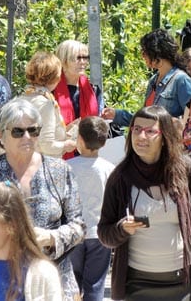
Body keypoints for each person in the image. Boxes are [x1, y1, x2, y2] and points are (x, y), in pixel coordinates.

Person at [0, 98, 84, 300]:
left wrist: (51, 238)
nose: (27, 137)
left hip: (50, 281)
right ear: (1, 136)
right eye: (18, 131)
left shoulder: (60, 171)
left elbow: (79, 226)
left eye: (33, 130)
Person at [98, 106, 191, 301]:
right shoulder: (120, 178)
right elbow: (104, 233)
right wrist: (121, 229)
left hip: (186, 282)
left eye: (150, 131)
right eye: (136, 129)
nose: (141, 136)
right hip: (138, 285)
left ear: (164, 137)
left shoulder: (185, 169)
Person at [67, 117, 115, 301]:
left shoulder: (68, 167)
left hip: (74, 232)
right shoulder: (109, 169)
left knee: (72, 283)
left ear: (79, 139)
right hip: (100, 233)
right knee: (95, 283)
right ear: (103, 142)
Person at [23, 50, 76, 158]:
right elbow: (47, 145)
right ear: (54, 77)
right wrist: (66, 145)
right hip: (43, 165)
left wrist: (63, 132)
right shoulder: (45, 104)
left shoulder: (23, 97)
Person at [139, 29, 191, 118]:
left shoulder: (182, 80)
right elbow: (145, 119)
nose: (142, 56)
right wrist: (117, 115)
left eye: (145, 52)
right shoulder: (153, 80)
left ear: (157, 53)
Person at [53, 40, 102, 142]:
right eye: (78, 58)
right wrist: (65, 132)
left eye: (85, 57)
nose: (83, 62)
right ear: (63, 61)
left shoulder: (94, 90)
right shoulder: (51, 91)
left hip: (89, 149)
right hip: (59, 151)